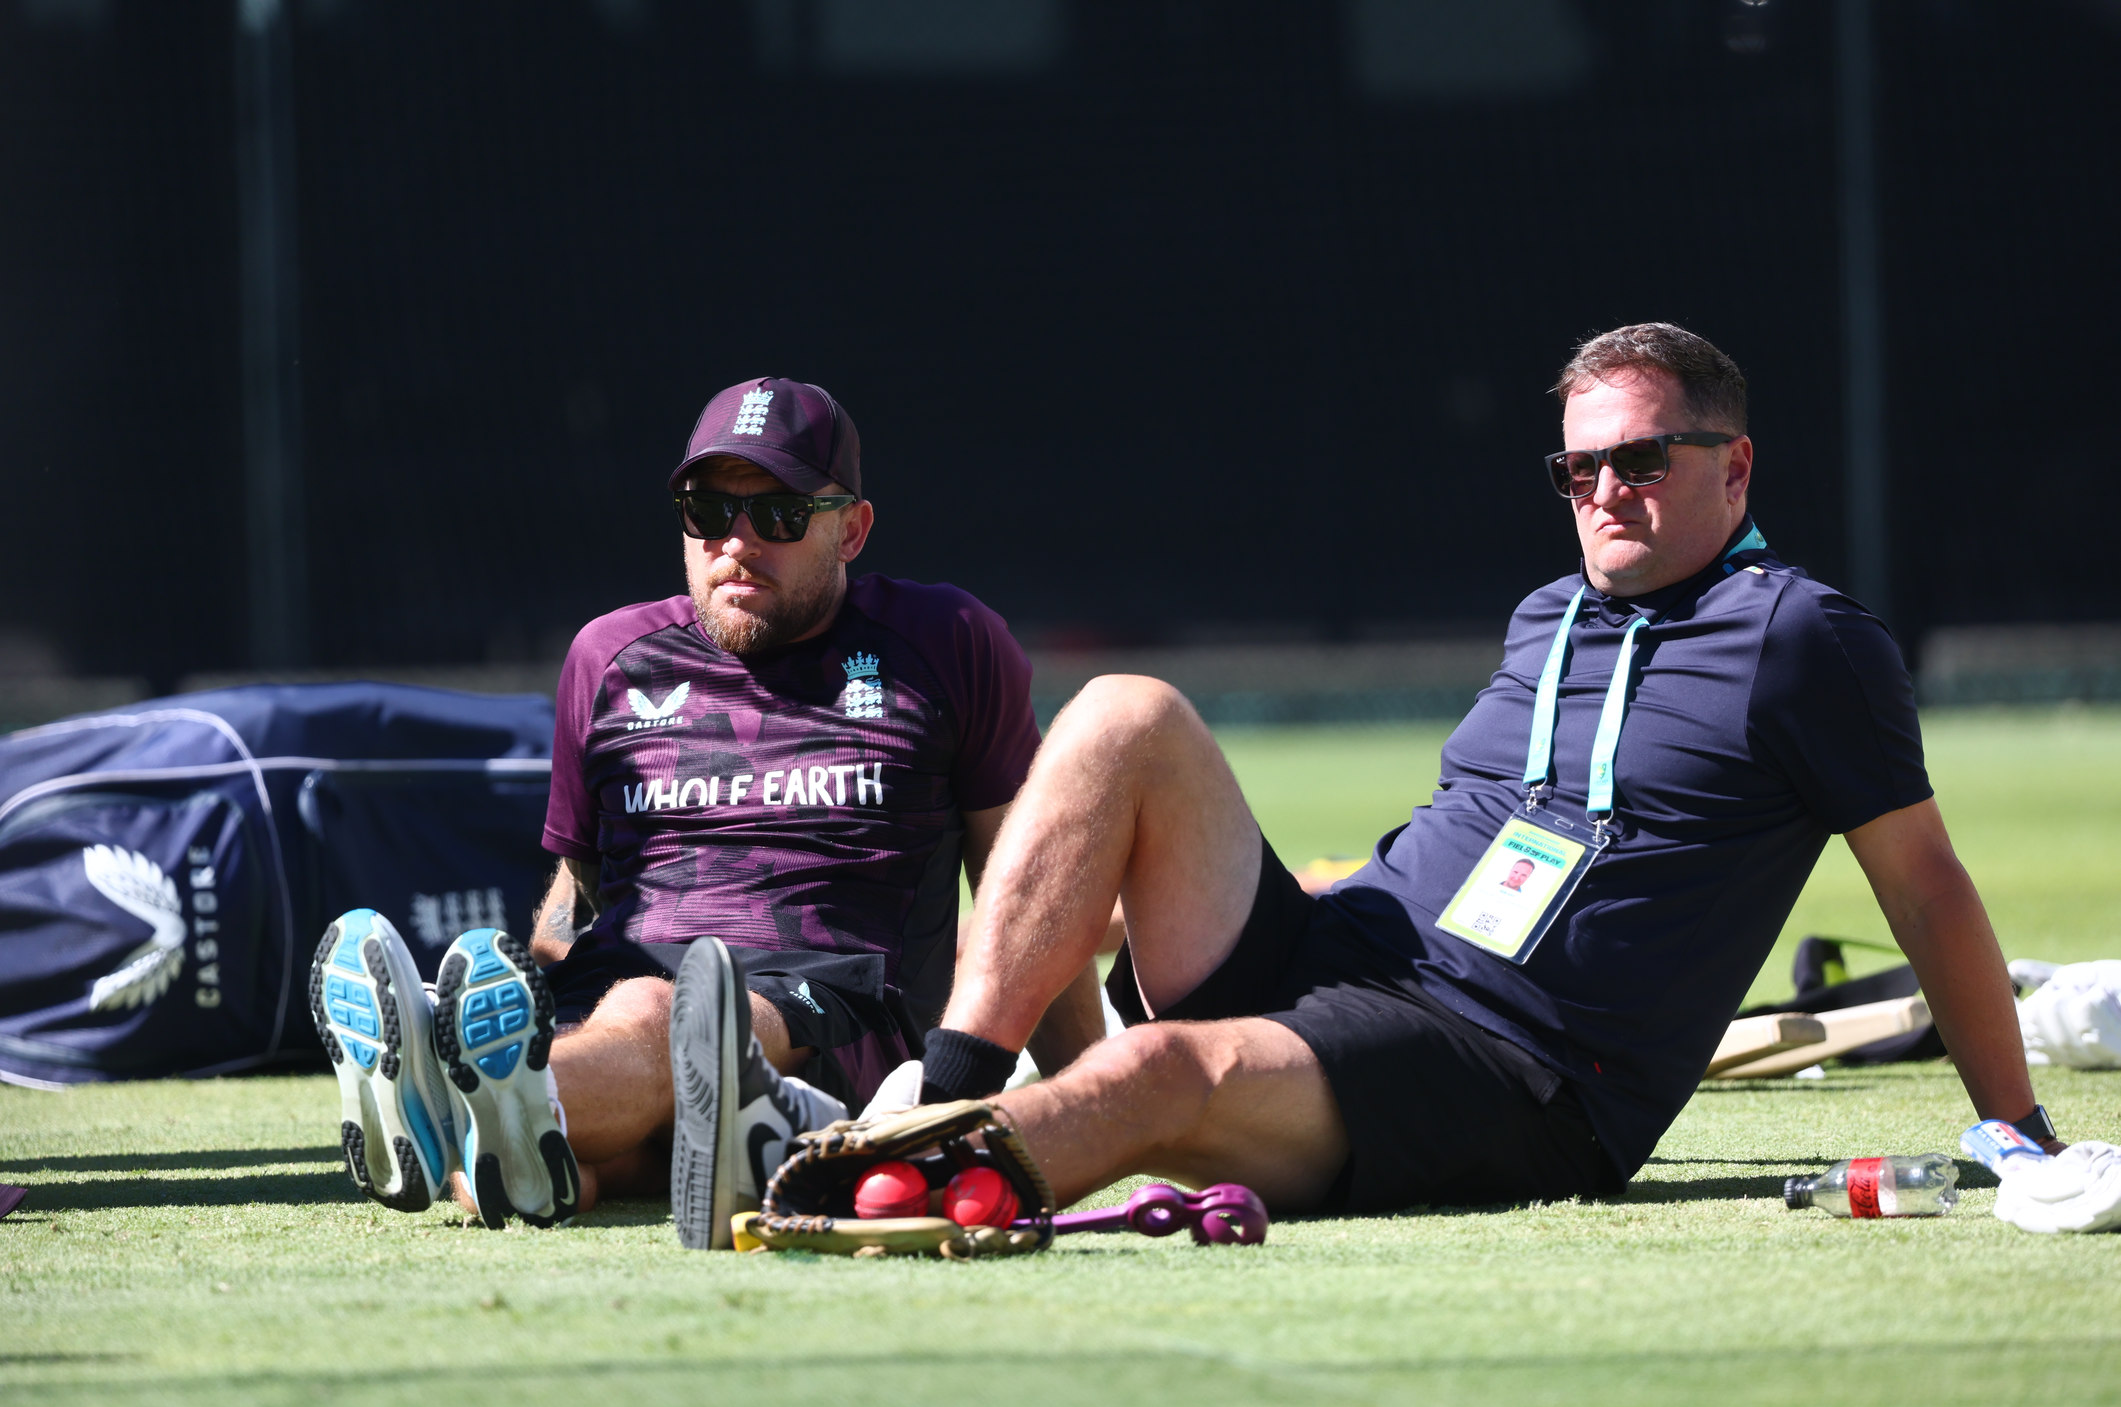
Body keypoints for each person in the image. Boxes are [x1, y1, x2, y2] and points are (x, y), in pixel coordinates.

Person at [836, 321, 2058, 1219]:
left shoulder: (1804, 639)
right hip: (1353, 960)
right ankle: (946, 1085)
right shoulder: (1548, 615)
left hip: (1512, 1072)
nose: (1604, 494)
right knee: (1122, 710)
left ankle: (892, 1181)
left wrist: (2017, 1122)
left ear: (1734, 470)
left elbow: (1926, 884)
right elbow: (1478, 827)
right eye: (1579, 470)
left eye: (1642, 461)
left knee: (1162, 1065)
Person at [310, 377, 1099, 1236]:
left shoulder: (945, 643)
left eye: (780, 515)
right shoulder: (609, 657)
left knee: (669, 1009)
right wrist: (540, 996)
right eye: (708, 510)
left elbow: (1025, 884)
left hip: (835, 1010)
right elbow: (580, 887)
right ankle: (487, 1117)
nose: (737, 542)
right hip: (621, 1001)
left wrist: (1089, 1096)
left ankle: (439, 1092)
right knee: (534, 1168)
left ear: (851, 530)